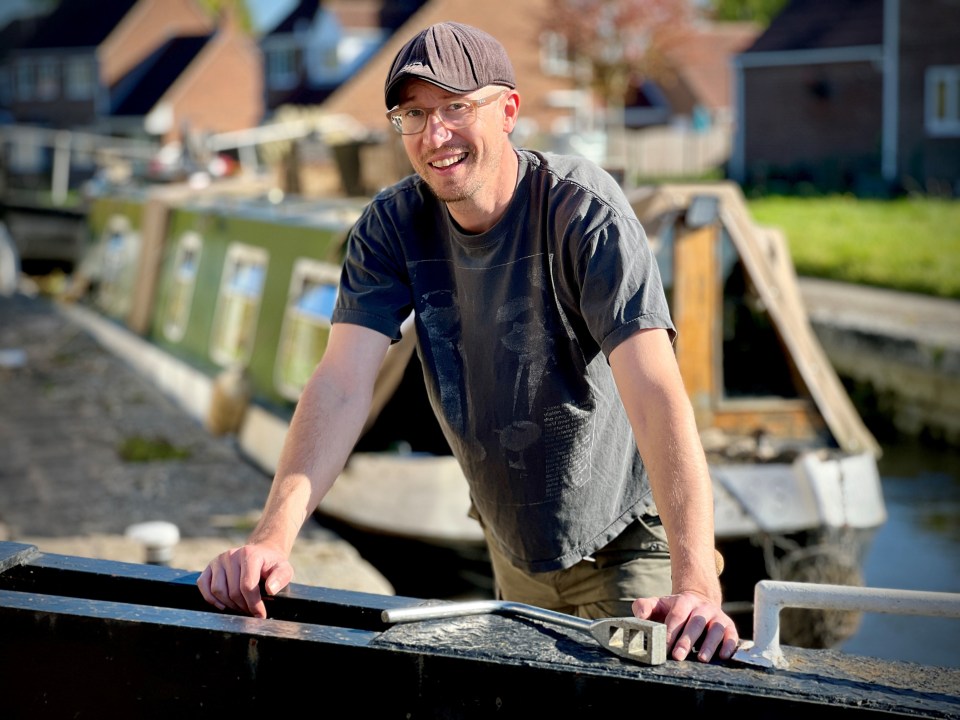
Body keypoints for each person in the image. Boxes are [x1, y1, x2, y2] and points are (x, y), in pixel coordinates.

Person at [198, 21, 739, 663]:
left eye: (457, 107)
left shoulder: (583, 213)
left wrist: (696, 582)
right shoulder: (392, 226)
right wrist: (272, 539)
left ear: (508, 110)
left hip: (626, 544)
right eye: (415, 114)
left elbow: (655, 389)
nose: (435, 135)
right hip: (512, 547)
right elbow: (342, 382)